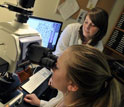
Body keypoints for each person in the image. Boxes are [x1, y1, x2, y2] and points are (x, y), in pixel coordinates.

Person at [24, 44, 121, 107]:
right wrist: (40, 103)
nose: (52, 68)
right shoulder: (71, 97)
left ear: (73, 85)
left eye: (56, 66)